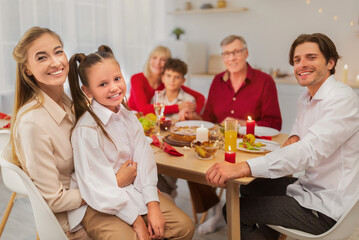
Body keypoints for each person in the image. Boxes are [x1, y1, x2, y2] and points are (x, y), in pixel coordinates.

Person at [206, 33, 359, 240]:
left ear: (331, 62)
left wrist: (242, 166)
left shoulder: (342, 98)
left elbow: (307, 151)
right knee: (251, 186)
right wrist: (294, 139)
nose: (302, 64)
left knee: (233, 211)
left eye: (311, 57)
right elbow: (295, 141)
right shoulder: (306, 97)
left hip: (326, 206)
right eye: (297, 60)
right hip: (306, 187)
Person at [67, 45, 195, 240]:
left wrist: (153, 206)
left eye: (117, 79)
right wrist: (137, 222)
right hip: (97, 204)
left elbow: (145, 161)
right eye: (103, 84)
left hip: (131, 190)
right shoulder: (87, 131)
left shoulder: (130, 118)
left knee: (184, 227)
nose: (114, 87)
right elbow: (98, 191)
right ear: (88, 91)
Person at [187, 34, 283, 234]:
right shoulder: (217, 81)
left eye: (236, 52)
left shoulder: (264, 81)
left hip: (250, 148)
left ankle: (231, 212)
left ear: (246, 53)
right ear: (223, 57)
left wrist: (240, 125)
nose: (232, 57)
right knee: (192, 164)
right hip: (221, 145)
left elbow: (274, 123)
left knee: (233, 176)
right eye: (227, 53)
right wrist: (194, 115)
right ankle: (215, 211)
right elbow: (209, 117)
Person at [6, 26, 91, 239]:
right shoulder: (33, 123)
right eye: (42, 57)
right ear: (27, 69)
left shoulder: (68, 103)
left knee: (174, 223)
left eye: (58, 51)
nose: (55, 62)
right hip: (70, 220)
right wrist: (109, 187)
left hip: (87, 200)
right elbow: (54, 200)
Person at [128, 45, 205, 116]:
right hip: (134, 117)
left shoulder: (166, 82)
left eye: (163, 59)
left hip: (151, 119)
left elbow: (200, 97)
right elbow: (143, 109)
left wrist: (193, 113)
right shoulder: (137, 79)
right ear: (149, 59)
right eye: (154, 58)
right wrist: (178, 107)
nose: (157, 63)